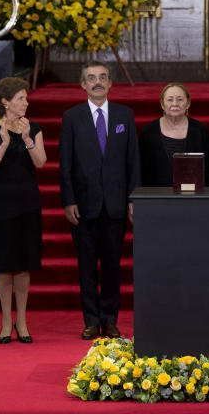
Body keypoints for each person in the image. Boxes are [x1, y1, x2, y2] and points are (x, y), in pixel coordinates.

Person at [60, 60, 140, 340]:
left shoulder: (124, 116)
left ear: (110, 83)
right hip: (83, 206)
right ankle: (91, 320)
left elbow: (133, 162)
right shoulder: (72, 117)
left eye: (102, 77)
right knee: (86, 267)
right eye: (91, 78)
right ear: (83, 84)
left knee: (112, 266)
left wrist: (132, 198)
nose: (97, 82)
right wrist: (68, 200)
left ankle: (110, 319)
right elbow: (65, 165)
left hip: (116, 205)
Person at [0, 76, 48, 345]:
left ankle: (22, 320)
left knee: (23, 265)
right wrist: (5, 143)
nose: (26, 102)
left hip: (27, 202)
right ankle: (6, 321)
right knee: (4, 267)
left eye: (26, 98)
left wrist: (27, 139)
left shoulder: (35, 128)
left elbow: (41, 163)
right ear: (5, 102)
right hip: (0, 204)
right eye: (21, 98)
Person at [139, 82, 209, 187]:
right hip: (156, 196)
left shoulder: (200, 131)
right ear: (162, 104)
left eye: (180, 99)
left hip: (193, 197)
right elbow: (141, 168)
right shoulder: (149, 132)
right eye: (169, 99)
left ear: (188, 103)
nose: (175, 103)